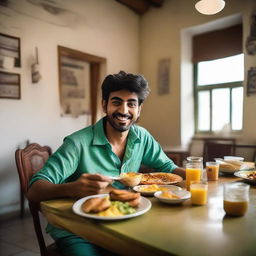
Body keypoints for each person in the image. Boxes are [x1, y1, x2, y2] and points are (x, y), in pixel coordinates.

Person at [27, 70, 185, 256]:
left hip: (122, 221)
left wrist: (202, 175)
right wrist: (71, 188)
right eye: (116, 102)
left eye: (131, 104)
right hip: (78, 229)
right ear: (104, 105)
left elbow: (168, 169)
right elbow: (34, 190)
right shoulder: (77, 143)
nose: (124, 111)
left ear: (139, 109)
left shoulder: (142, 137)